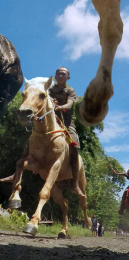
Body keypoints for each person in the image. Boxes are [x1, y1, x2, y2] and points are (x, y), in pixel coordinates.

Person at [48, 67, 85, 196]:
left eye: (63, 74)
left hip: (67, 124)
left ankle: (75, 184)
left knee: (74, 147)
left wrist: (60, 107)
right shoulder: (50, 90)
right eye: (58, 73)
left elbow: (70, 104)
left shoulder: (70, 91)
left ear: (68, 77)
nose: (60, 75)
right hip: (51, 121)